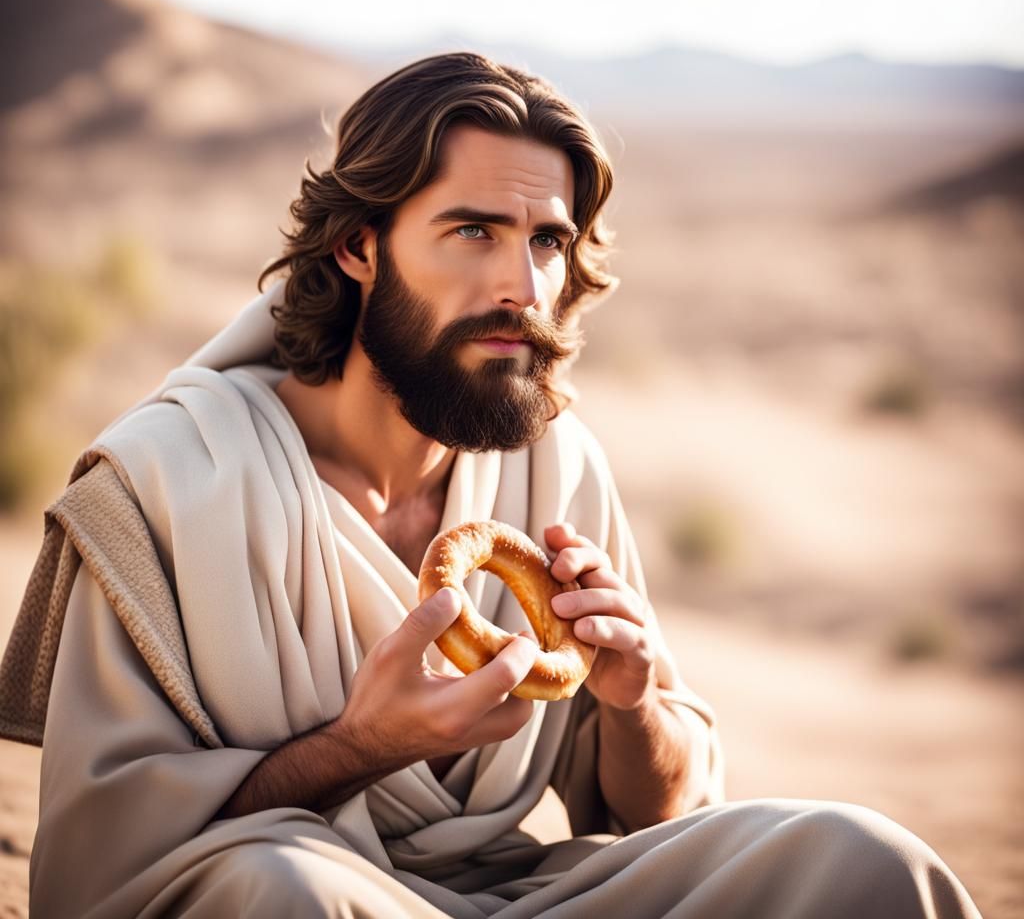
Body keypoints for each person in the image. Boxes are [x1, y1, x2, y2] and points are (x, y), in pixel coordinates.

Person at [0, 52, 981, 918]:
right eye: (472, 231)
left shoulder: (557, 466)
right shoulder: (166, 482)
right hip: (310, 890)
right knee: (282, 892)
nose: (522, 283)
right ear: (359, 244)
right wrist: (360, 745)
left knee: (866, 858)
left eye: (547, 240)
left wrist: (632, 703)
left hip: (531, 891)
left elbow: (667, 813)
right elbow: (107, 863)